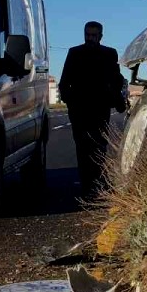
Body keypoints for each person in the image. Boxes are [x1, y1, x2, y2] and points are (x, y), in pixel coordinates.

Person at [59, 21, 126, 190]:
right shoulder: (74, 53)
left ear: (100, 36)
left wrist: (118, 100)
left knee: (99, 144)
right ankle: (87, 183)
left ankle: (96, 181)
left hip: (100, 107)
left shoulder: (109, 53)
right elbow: (65, 80)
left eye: (93, 35)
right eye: (87, 35)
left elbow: (115, 79)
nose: (90, 38)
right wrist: (69, 101)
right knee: (82, 146)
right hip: (79, 108)